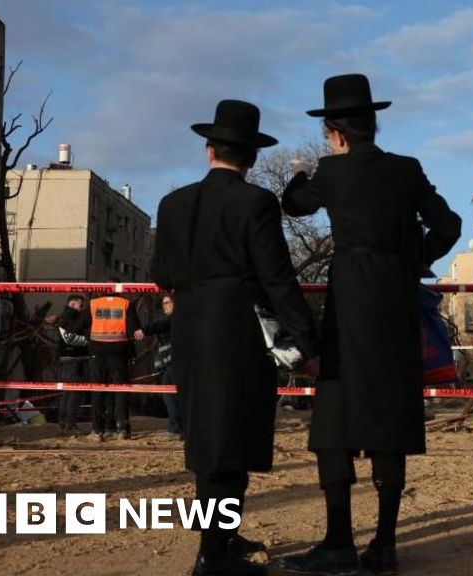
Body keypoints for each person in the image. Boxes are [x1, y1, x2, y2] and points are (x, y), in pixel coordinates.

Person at [280, 74, 461, 576]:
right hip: (397, 307)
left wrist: (300, 175)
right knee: (391, 418)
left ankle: (338, 541)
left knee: (334, 420)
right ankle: (384, 544)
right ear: (373, 126)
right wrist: (412, 260)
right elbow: (449, 225)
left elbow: (293, 205)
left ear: (336, 133)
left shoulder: (331, 171)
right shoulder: (406, 169)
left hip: (350, 305)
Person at [152, 99, 320, 576]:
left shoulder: (172, 203)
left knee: (208, 439)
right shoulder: (257, 202)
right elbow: (277, 278)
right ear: (251, 157)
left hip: (189, 329)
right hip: (237, 331)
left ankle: (222, 536)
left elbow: (161, 273)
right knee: (233, 441)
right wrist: (307, 342)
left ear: (209, 150)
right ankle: (214, 555)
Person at [83, 279, 140, 441]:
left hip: (97, 353)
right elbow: (134, 330)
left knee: (98, 391)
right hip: (119, 353)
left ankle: (97, 430)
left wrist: (62, 321)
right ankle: (122, 429)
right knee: (121, 389)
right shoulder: (125, 304)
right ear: (119, 290)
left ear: (101, 290)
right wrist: (131, 351)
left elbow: (78, 326)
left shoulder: (93, 304)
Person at [134, 294, 182, 439]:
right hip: (171, 363)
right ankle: (178, 428)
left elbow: (160, 325)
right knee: (173, 397)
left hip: (173, 364)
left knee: (170, 397)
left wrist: (145, 330)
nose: (164, 306)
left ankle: (176, 429)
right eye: (163, 304)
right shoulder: (181, 319)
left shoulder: (176, 319)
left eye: (167, 303)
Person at [53, 295, 89, 436]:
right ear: (72, 304)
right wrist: (90, 341)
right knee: (74, 393)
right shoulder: (66, 319)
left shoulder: (69, 318)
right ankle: (69, 423)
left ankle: (65, 423)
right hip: (72, 360)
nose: (82, 309)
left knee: (69, 393)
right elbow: (69, 338)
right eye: (81, 306)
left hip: (74, 359)